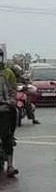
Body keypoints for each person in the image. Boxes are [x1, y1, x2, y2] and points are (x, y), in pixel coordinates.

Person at [0, 49, 19, 177]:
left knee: (7, 136)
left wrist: (11, 100)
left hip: (3, 109)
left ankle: (10, 166)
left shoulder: (7, 74)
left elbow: (12, 90)